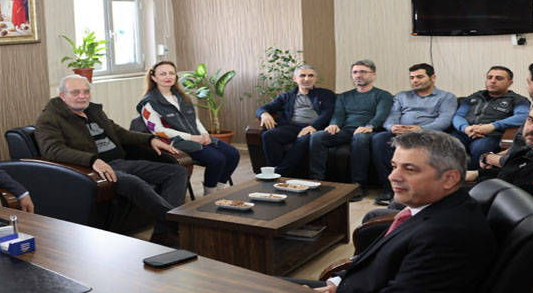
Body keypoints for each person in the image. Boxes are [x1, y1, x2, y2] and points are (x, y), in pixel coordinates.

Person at [288, 131, 496, 293]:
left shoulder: (447, 234)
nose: (392, 177)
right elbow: (383, 266)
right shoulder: (434, 209)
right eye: (394, 166)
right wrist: (337, 284)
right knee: (270, 287)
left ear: (449, 178)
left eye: (410, 169)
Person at [36, 75, 188, 246]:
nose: (82, 96)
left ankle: (164, 233)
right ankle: (181, 224)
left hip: (120, 162)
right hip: (93, 171)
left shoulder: (93, 111)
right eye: (75, 92)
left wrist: (150, 139)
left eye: (86, 92)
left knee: (177, 172)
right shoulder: (49, 118)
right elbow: (52, 150)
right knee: (133, 183)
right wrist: (92, 160)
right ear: (62, 95)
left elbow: (120, 133)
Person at [137, 61, 239, 195]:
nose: (168, 76)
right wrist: (191, 137)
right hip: (176, 142)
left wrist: (204, 134)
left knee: (233, 154)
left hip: (197, 137)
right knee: (217, 159)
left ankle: (218, 190)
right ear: (154, 78)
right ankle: (209, 194)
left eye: (171, 73)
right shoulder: (149, 102)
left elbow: (194, 119)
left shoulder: (182, 97)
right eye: (162, 74)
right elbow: (157, 130)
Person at [371, 63, 457, 206]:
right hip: (401, 135)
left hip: (428, 135)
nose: (415, 80)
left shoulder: (446, 97)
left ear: (433, 78)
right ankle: (389, 188)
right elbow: (391, 117)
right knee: (379, 138)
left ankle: (417, 190)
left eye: (419, 77)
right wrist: (392, 127)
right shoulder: (401, 96)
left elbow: (444, 121)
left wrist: (419, 129)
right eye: (412, 78)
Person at [308, 59, 392, 201]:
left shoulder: (383, 95)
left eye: (363, 72)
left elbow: (381, 115)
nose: (358, 75)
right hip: (347, 130)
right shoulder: (344, 96)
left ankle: (358, 185)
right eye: (355, 72)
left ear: (373, 75)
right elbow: (338, 115)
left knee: (359, 138)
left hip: (371, 131)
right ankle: (317, 181)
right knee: (318, 136)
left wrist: (369, 126)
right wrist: (334, 124)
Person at [255, 64, 336, 177]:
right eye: (302, 75)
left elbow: (328, 112)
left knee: (304, 140)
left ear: (315, 79)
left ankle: (278, 174)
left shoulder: (326, 94)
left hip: (314, 128)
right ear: (295, 78)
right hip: (292, 127)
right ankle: (274, 168)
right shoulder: (286, 96)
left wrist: (314, 126)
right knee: (268, 135)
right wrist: (264, 114)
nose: (307, 79)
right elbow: (263, 108)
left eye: (311, 76)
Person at [451, 66, 530, 169]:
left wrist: (492, 126)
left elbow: (523, 116)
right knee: (446, 143)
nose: (493, 81)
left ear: (510, 83)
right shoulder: (474, 97)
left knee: (481, 147)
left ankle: (475, 176)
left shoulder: (518, 100)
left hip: (492, 135)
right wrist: (465, 128)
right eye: (489, 77)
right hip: (466, 132)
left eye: (499, 78)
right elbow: (459, 115)